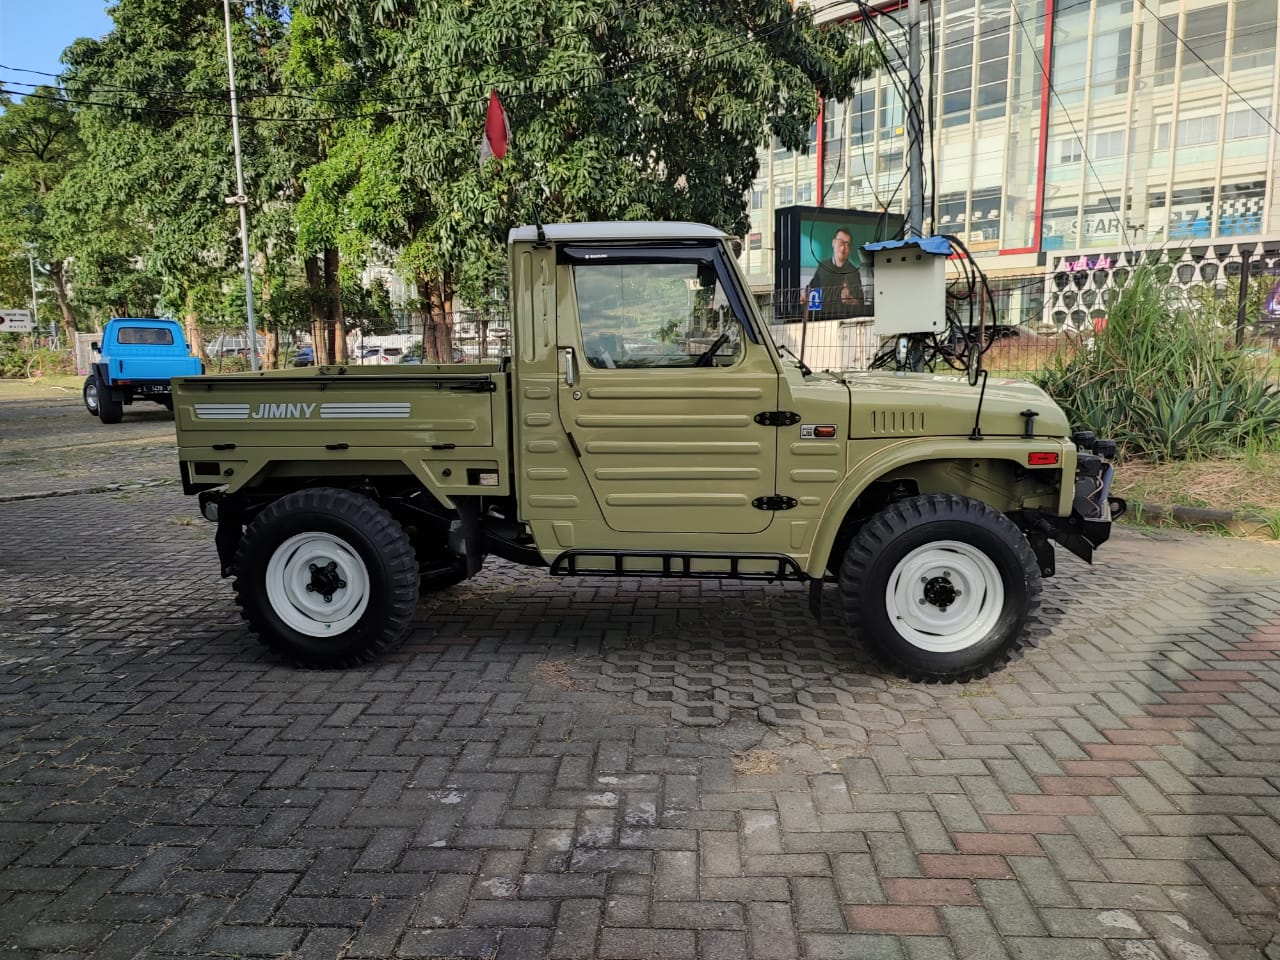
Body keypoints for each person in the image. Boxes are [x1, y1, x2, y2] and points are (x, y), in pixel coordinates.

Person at [805, 227, 865, 318]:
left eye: (847, 244)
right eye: (840, 242)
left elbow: (861, 305)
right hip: (822, 319)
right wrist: (806, 296)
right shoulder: (823, 267)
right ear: (833, 243)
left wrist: (851, 300)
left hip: (843, 319)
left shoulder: (853, 272)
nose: (843, 247)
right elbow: (812, 293)